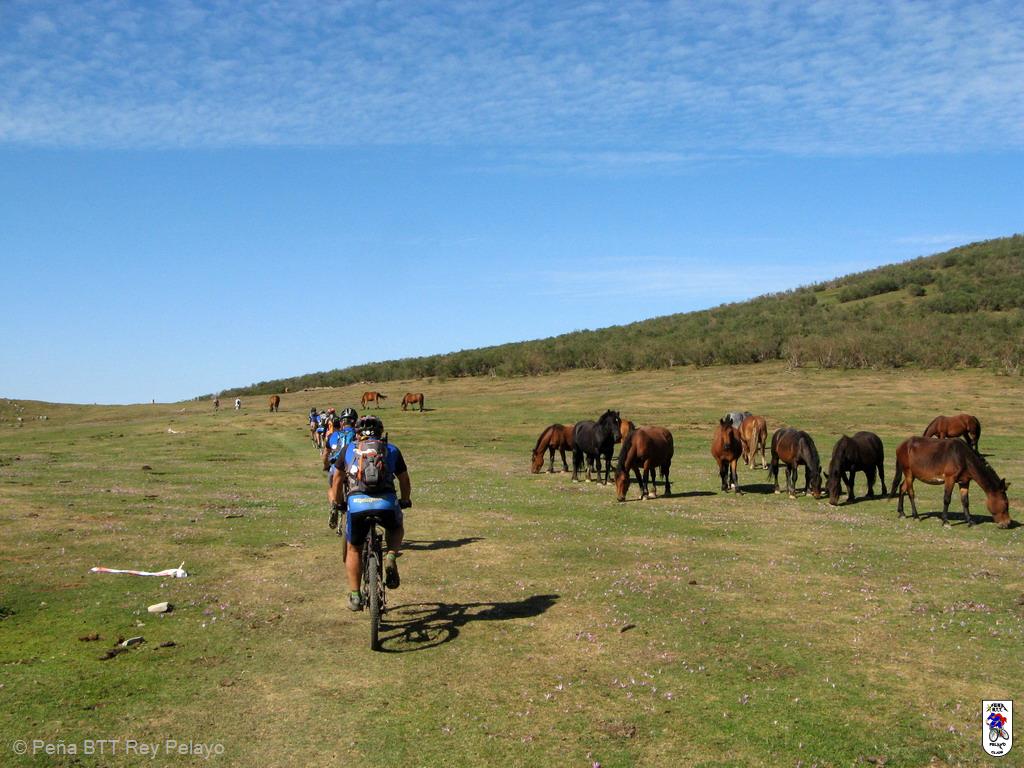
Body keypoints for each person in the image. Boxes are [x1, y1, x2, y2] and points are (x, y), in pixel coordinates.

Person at [333, 415, 411, 612]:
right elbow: (404, 479)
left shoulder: (348, 449)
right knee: (396, 528)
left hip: (357, 504)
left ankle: (355, 595)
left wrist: (339, 503)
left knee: (354, 549)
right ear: (380, 431)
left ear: (357, 433)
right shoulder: (391, 449)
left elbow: (337, 480)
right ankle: (391, 556)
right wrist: (405, 500)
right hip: (386, 503)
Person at [323, 407, 358, 530]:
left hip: (335, 468)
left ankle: (334, 505)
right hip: (351, 468)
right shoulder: (358, 435)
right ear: (355, 422)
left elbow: (326, 454)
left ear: (342, 422)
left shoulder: (333, 435)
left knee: (332, 488)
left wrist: (326, 465)